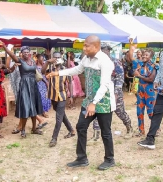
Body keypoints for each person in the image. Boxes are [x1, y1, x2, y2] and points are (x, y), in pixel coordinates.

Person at [48, 35, 116, 170]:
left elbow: (104, 85)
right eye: (84, 45)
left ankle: (109, 159)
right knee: (81, 126)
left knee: (105, 132)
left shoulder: (105, 61)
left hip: (103, 102)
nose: (84, 48)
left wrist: (94, 103)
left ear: (96, 47)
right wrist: (59, 73)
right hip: (89, 101)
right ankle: (81, 158)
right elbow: (77, 70)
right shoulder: (86, 58)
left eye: (87, 46)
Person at [88, 43, 133, 144]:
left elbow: (120, 78)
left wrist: (116, 93)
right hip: (100, 93)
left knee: (120, 112)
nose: (103, 53)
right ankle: (96, 136)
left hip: (114, 92)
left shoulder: (115, 62)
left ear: (109, 51)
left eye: (105, 51)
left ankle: (129, 129)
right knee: (97, 113)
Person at [0, 42, 45, 138]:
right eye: (24, 52)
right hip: (24, 86)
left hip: (33, 85)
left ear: (29, 53)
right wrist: (4, 46)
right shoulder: (20, 61)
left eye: (27, 52)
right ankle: (23, 130)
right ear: (21, 53)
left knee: (34, 108)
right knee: (25, 107)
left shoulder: (32, 61)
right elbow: (11, 54)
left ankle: (34, 128)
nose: (26, 54)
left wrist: (46, 82)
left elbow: (38, 73)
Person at [42, 53, 76, 147]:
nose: (57, 59)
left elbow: (70, 83)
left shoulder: (66, 70)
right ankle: (71, 131)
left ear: (61, 58)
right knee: (61, 115)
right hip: (53, 96)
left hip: (62, 96)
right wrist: (48, 62)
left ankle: (54, 138)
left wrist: (71, 96)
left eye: (58, 57)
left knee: (58, 118)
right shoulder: (50, 70)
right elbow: (42, 71)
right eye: (55, 57)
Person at [133, 48, 158, 137]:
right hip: (140, 92)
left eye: (146, 55)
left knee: (151, 112)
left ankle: (156, 130)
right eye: (143, 54)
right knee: (139, 112)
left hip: (150, 92)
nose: (144, 56)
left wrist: (139, 75)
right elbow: (134, 73)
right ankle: (141, 131)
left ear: (151, 57)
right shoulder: (139, 65)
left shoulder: (154, 66)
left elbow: (151, 79)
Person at [36, 54, 51, 118]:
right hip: (39, 83)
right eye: (42, 59)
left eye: (43, 59)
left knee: (45, 96)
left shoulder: (43, 66)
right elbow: (40, 76)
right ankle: (42, 112)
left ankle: (43, 111)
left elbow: (44, 74)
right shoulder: (35, 67)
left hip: (44, 83)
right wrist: (46, 82)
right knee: (41, 97)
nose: (43, 60)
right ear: (38, 60)